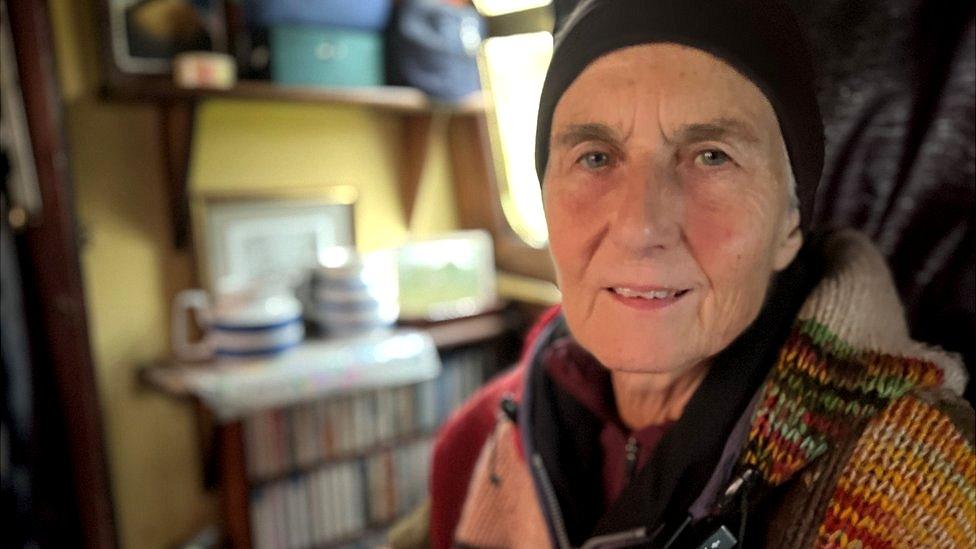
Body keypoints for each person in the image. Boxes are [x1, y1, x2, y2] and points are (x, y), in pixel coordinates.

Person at [427, 0, 976, 547]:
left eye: (712, 156)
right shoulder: (512, 421)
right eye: (595, 157)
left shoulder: (913, 484)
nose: (641, 226)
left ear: (788, 223)